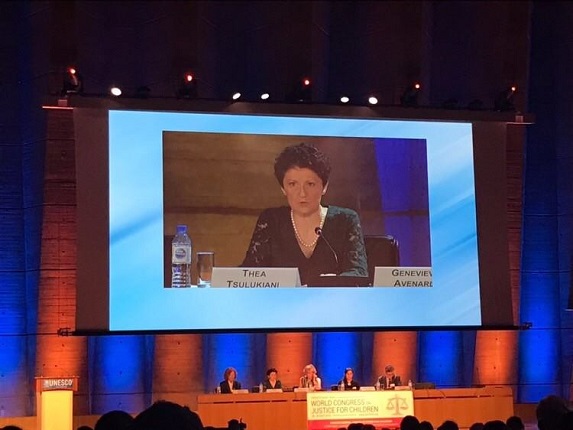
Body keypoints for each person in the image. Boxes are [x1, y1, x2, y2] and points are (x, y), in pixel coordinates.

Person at [241, 142, 368, 286]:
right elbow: (249, 273)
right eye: (292, 184)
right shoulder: (271, 220)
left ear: (324, 186)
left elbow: (358, 274)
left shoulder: (345, 220)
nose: (302, 193)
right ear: (283, 188)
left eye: (310, 184)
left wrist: (330, 283)